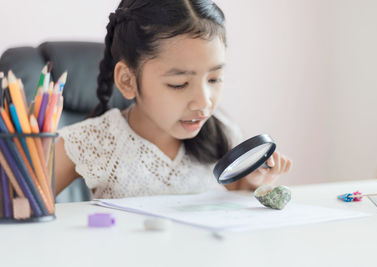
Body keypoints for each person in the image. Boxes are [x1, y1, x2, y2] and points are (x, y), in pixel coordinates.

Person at [55, 0, 292, 199]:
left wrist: (254, 182)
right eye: (179, 84)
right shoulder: (93, 142)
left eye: (214, 79)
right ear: (128, 81)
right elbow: (25, 203)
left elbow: (234, 193)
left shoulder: (221, 134)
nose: (203, 103)